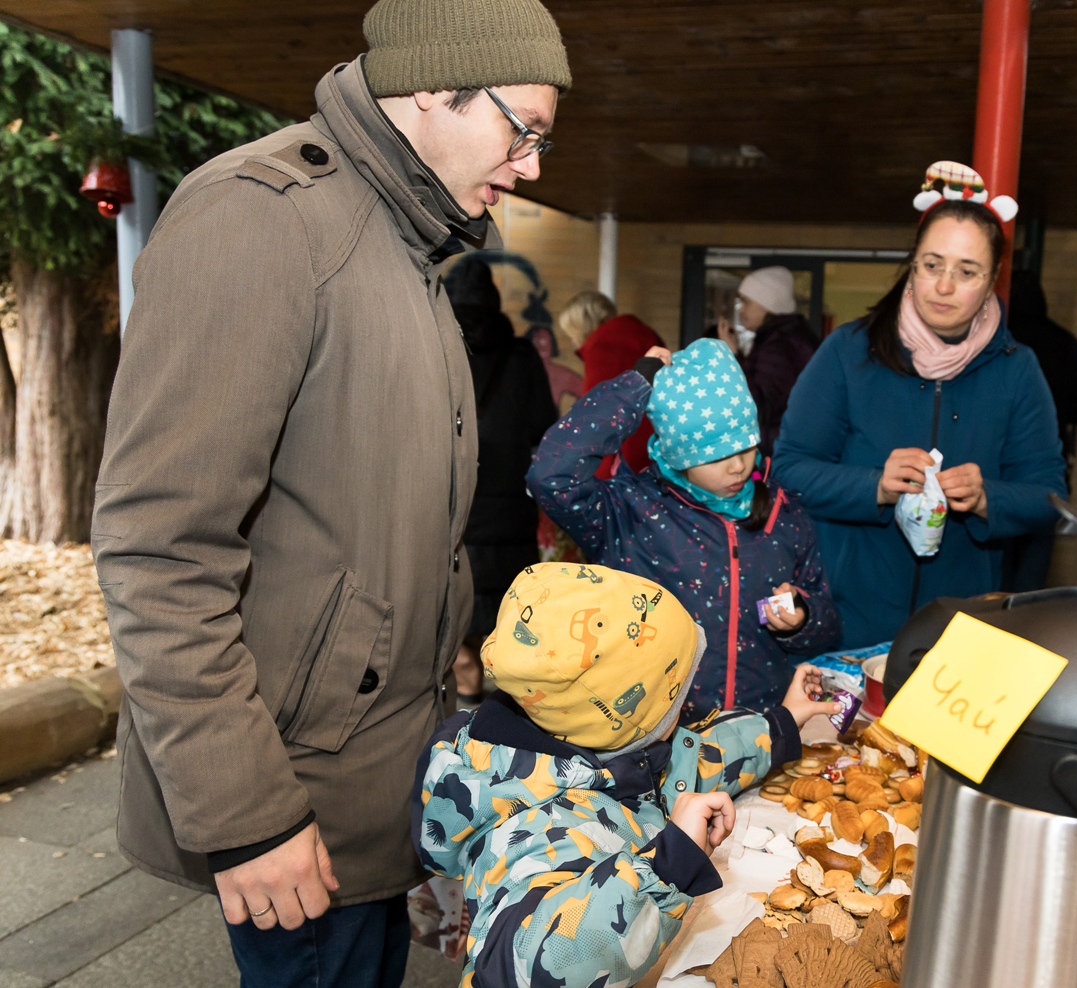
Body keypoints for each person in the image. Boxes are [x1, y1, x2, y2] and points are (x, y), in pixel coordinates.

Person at [90, 0, 570, 984]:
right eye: (521, 131)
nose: (530, 167)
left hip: (371, 784)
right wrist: (247, 813)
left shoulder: (403, 240)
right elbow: (159, 547)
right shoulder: (262, 218)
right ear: (431, 88)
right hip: (290, 795)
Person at [413, 562, 839, 987]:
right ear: (627, 718)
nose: (684, 708)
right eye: (676, 699)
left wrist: (779, 726)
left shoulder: (607, 750)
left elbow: (690, 762)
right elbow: (524, 967)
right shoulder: (532, 828)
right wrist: (666, 868)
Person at [772, 161, 1067, 648]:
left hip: (961, 631)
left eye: (966, 272)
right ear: (912, 266)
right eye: (932, 265)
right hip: (846, 620)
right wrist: (875, 486)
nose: (944, 286)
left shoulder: (1017, 369)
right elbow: (788, 469)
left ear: (993, 278)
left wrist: (988, 497)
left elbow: (1049, 496)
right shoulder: (848, 351)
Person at [527, 338, 842, 722]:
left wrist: (803, 617)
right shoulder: (630, 512)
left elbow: (828, 623)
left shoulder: (784, 512)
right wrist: (632, 389)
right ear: (679, 454)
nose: (738, 467)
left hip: (760, 728)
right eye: (715, 455)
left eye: (745, 447)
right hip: (658, 734)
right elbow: (551, 476)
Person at [446, 255, 558, 706]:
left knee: (456, 609)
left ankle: (465, 696)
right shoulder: (521, 356)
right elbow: (542, 424)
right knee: (511, 614)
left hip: (452, 503)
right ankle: (508, 717)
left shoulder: (439, 347)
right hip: (509, 506)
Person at [999, 268, 1077, 591]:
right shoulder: (1066, 343)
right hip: (1045, 468)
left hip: (996, 471)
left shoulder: (997, 347)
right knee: (1034, 560)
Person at [556, 289, 665, 473]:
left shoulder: (601, 346)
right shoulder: (644, 334)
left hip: (622, 456)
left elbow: (594, 414)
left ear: (580, 326)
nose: (573, 340)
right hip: (657, 443)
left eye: (571, 332)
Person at [718, 266, 819, 456]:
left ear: (768, 304)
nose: (742, 310)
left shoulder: (779, 345)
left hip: (778, 451)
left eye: (747, 302)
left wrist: (732, 357)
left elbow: (759, 406)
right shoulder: (785, 338)